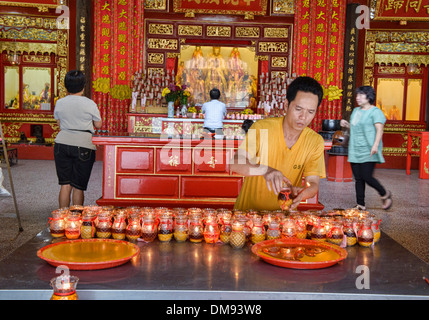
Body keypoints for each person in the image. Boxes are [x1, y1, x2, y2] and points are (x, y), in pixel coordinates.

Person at [231, 76, 326, 211]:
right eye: (298, 109)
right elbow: (235, 163)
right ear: (286, 105)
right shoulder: (261, 127)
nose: (303, 117)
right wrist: (264, 170)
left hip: (283, 220)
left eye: (310, 112)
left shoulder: (315, 141)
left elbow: (314, 183)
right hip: (247, 216)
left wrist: (302, 193)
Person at [53, 70, 102, 208]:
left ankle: (62, 218)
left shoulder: (60, 103)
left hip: (61, 144)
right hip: (84, 145)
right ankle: (76, 219)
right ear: (83, 86)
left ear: (66, 86)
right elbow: (98, 124)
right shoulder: (89, 103)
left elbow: (59, 124)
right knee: (78, 186)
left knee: (65, 184)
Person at [340, 86, 392, 211]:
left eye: (361, 95)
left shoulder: (375, 112)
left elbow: (380, 129)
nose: (357, 98)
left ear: (369, 96)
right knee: (358, 178)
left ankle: (384, 194)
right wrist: (347, 125)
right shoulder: (355, 111)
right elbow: (356, 128)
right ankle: (360, 205)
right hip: (355, 149)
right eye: (357, 95)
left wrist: (375, 145)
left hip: (369, 149)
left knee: (367, 177)